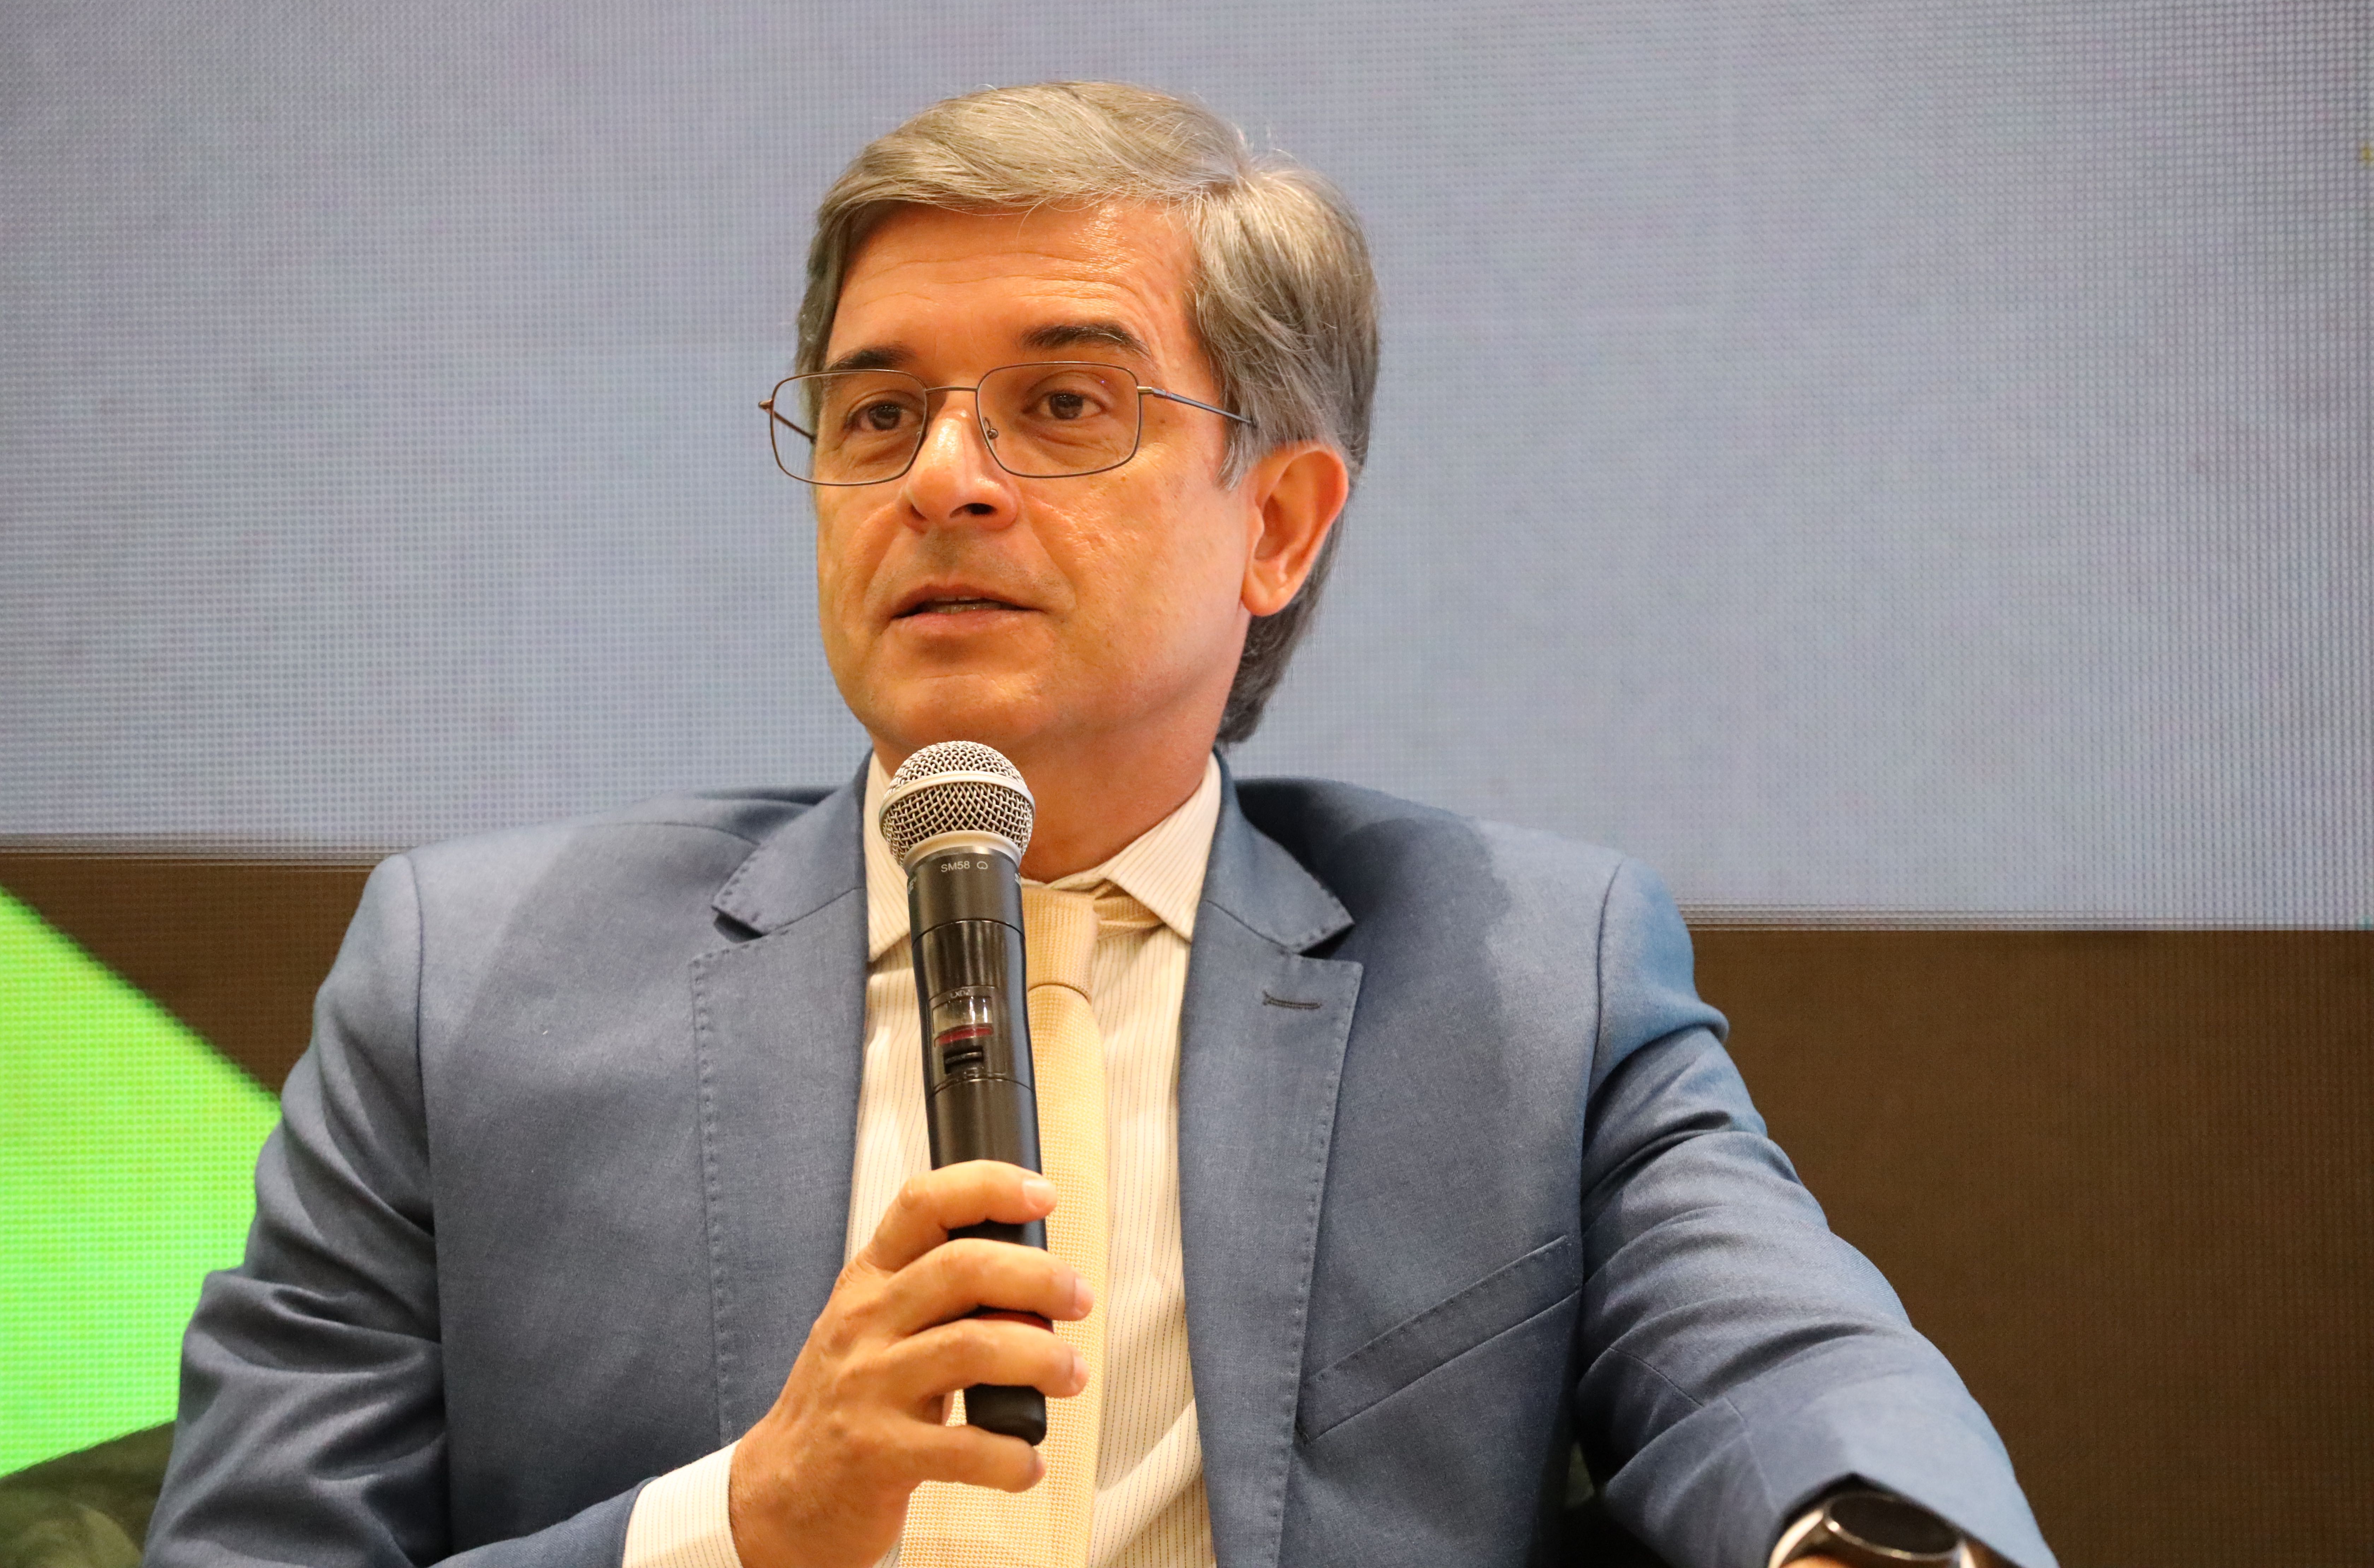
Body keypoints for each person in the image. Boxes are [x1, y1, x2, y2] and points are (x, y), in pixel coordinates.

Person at [146, 83, 2053, 1568]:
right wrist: (746, 1523)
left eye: (1061, 404)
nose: (944, 479)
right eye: (877, 415)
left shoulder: (1525, 984)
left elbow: (1785, 1374)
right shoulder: (472, 985)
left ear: (1279, 523)